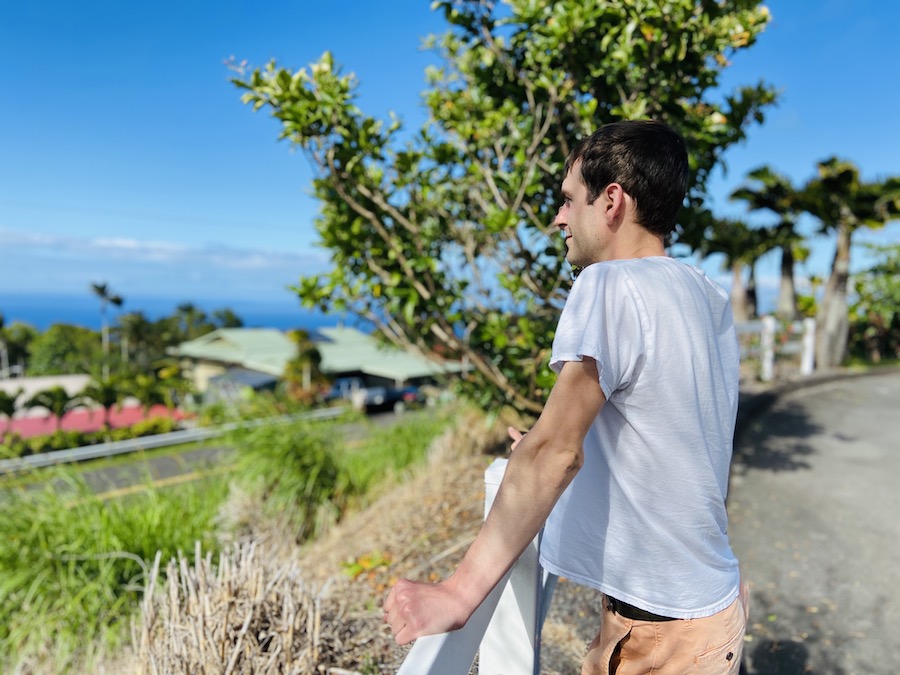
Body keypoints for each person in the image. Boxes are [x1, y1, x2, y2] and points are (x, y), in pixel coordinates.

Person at [383, 120, 748, 674]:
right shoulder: (704, 294)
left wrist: (458, 594)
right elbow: (673, 428)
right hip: (706, 609)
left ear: (611, 201)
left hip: (662, 633)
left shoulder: (609, 284)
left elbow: (556, 452)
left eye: (567, 200)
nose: (558, 219)